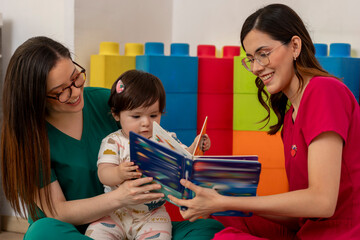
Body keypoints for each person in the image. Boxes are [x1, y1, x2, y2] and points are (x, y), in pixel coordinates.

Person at [0, 36, 224, 240]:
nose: (76, 91)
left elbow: (153, 138)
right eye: (62, 91)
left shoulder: (103, 102)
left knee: (212, 231)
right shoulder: (27, 139)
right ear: (36, 98)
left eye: (76, 77)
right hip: (79, 232)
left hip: (138, 222)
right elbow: (56, 212)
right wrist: (120, 198)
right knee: (41, 233)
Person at [168, 3, 360, 239]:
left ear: (295, 46)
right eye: (250, 59)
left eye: (263, 54)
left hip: (342, 233)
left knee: (224, 234)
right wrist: (222, 201)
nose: (257, 68)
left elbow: (322, 202)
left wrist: (226, 200)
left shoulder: (324, 90)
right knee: (223, 213)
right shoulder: (290, 117)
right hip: (309, 230)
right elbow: (301, 216)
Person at [85, 70, 211, 239]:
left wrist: (196, 146)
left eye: (153, 115)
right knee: (96, 233)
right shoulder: (113, 141)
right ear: (116, 114)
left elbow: (183, 157)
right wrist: (118, 173)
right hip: (115, 212)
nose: (146, 123)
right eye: (136, 116)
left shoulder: (164, 139)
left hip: (153, 214)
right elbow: (103, 173)